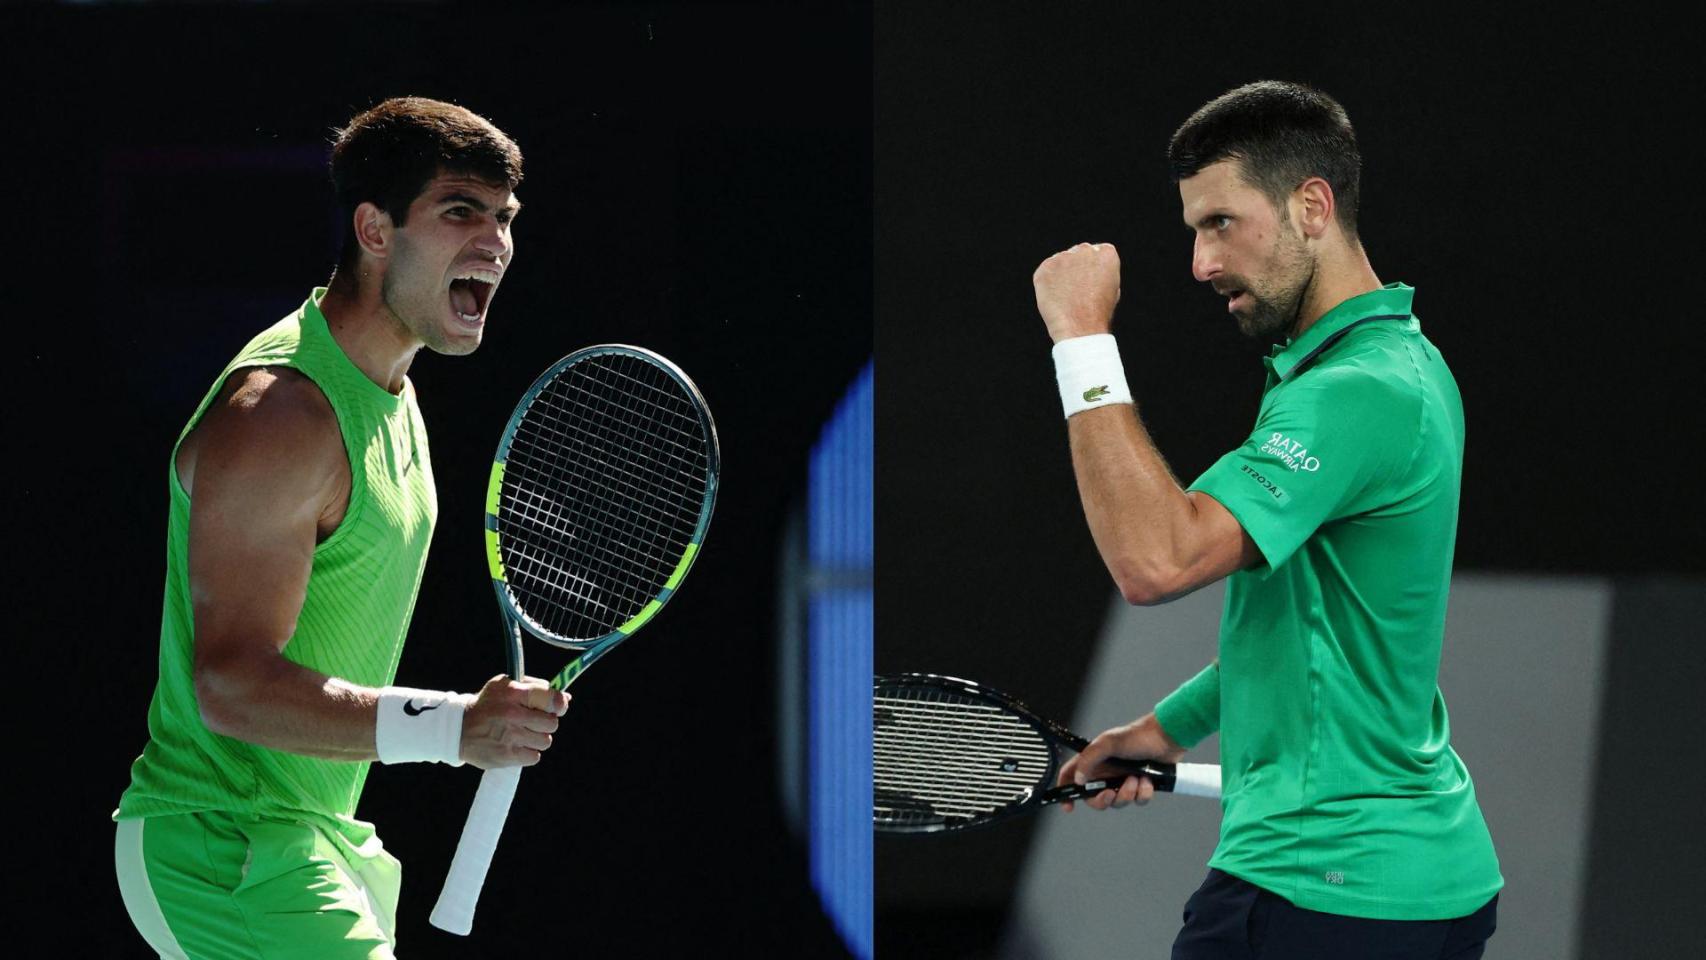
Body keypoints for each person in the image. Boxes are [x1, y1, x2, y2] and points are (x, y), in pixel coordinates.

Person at [1031, 80, 1502, 959]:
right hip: (1431, 890)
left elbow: (1154, 561)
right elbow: (1320, 632)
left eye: (1221, 223)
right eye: (1194, 231)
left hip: (1318, 895)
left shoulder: (1353, 395)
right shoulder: (1405, 363)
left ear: (1311, 206)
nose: (1201, 264)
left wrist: (1082, 341)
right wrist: (1162, 730)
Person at [112, 97, 569, 960]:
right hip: (223, 845)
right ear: (374, 228)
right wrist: (452, 727)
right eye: (460, 211)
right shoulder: (283, 414)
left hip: (315, 838)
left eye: (504, 218)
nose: (495, 244)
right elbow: (230, 685)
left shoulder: (392, 391)